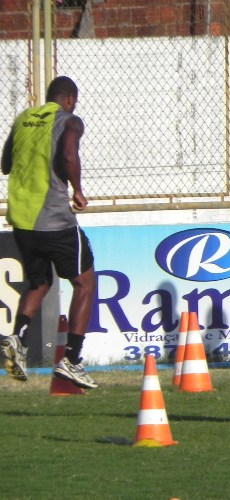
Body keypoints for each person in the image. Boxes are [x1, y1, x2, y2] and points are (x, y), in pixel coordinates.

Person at [1, 76, 98, 389]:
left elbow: (5, 163)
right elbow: (69, 154)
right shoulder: (69, 121)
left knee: (39, 282)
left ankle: (17, 339)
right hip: (54, 219)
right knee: (85, 282)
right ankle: (71, 359)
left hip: (22, 220)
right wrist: (78, 191)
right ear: (69, 98)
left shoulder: (25, 119)